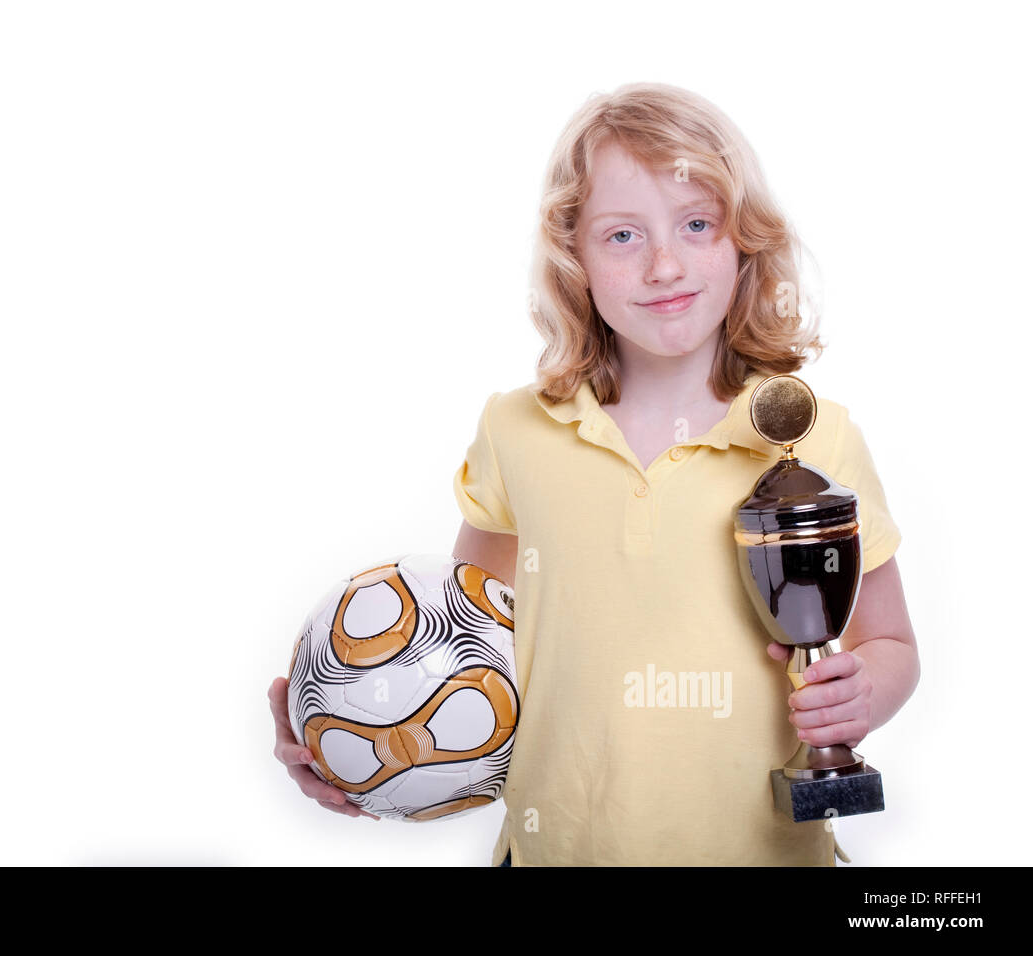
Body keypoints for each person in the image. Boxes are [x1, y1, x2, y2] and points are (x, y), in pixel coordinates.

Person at [268, 82, 919, 865]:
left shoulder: (815, 438)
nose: (664, 264)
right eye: (621, 236)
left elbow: (888, 640)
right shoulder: (517, 431)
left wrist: (865, 694)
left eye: (696, 223)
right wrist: (354, 734)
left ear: (743, 239)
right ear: (572, 255)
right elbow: (471, 647)